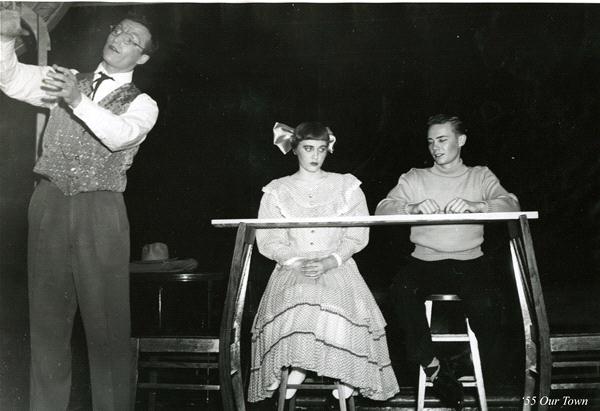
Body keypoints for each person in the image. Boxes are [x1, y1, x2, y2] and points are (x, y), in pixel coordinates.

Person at [0, 9, 159, 411]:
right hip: (49, 203)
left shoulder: (144, 104)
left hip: (100, 210)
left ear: (142, 58)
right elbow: (13, 80)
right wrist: (3, 40)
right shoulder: (68, 76)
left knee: (106, 327)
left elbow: (120, 136)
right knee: (47, 324)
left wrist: (77, 100)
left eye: (132, 38)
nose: (120, 38)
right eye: (118, 30)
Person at [375, 114, 520, 408]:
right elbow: (382, 209)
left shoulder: (480, 175)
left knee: (490, 305)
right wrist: (411, 207)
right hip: (424, 262)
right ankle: (434, 367)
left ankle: (463, 363)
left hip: (470, 262)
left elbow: (512, 204)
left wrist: (478, 205)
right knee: (400, 292)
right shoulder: (415, 177)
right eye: (431, 141)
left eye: (442, 140)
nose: (435, 148)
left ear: (461, 140)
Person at [248, 122, 399, 403]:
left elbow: (357, 233)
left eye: (321, 149)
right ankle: (300, 365)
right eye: (308, 148)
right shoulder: (277, 190)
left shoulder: (346, 185)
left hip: (337, 266)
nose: (315, 156)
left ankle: (346, 372)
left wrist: (331, 260)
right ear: (295, 150)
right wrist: (295, 261)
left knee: (336, 302)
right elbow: (268, 240)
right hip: (293, 268)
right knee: (302, 296)